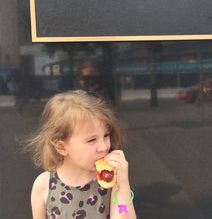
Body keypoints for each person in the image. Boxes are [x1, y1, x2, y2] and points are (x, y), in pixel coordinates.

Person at [26, 90, 137, 219]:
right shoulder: (44, 185)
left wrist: (123, 186)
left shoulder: (109, 179)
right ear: (61, 147)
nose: (104, 146)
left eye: (106, 136)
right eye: (91, 140)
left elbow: (123, 213)